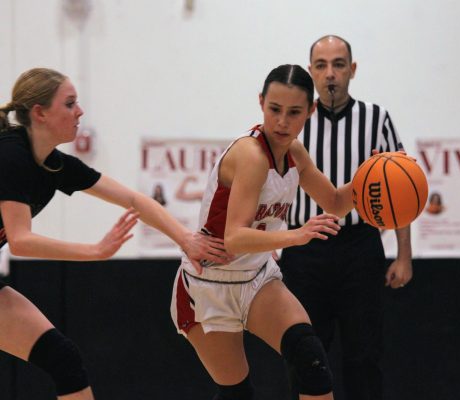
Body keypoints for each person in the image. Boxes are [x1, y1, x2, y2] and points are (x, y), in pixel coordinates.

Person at [0, 67, 232, 400]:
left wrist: (185, 239)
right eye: (69, 104)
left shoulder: (54, 165)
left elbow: (134, 199)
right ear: (40, 113)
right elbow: (20, 241)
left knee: (63, 359)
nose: (79, 111)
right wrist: (94, 251)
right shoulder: (11, 154)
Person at [170, 64, 355, 400]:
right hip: (209, 287)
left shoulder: (295, 153)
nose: (283, 122)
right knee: (237, 393)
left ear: (310, 112)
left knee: (310, 358)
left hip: (256, 278)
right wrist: (297, 235)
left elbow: (336, 202)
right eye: (275, 110)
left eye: (294, 112)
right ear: (261, 103)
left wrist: (371, 179)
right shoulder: (251, 156)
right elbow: (235, 238)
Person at [278, 35, 413, 400]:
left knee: (365, 354)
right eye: (321, 66)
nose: (330, 74)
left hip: (359, 246)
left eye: (338, 65)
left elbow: (401, 190)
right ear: (310, 73)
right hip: (305, 248)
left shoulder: (376, 118)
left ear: (352, 70)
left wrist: (404, 255)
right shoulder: (294, 121)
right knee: (304, 352)